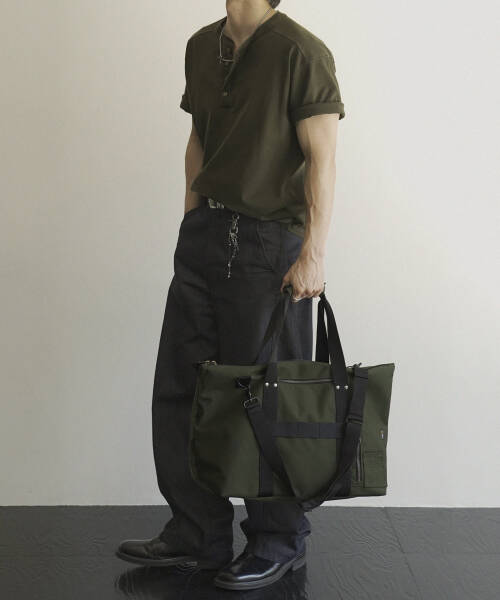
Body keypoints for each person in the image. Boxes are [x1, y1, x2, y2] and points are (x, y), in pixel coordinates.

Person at [117, 0, 345, 591]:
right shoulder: (201, 46)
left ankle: (279, 539)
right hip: (205, 235)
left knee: (267, 398)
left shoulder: (300, 52)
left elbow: (323, 158)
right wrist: (191, 218)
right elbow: (198, 139)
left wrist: (314, 254)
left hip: (270, 245)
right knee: (181, 387)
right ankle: (198, 532)